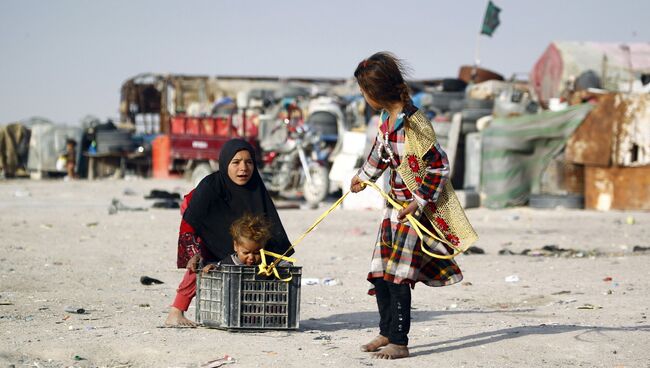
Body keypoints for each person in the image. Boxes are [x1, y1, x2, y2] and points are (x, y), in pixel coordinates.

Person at [350, 52, 476, 359]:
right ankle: (385, 331)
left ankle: (399, 341)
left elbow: (439, 167)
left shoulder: (416, 125)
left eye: (364, 92)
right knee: (380, 272)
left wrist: (418, 201)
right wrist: (362, 177)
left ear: (375, 93)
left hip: (413, 214)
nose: (364, 97)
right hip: (392, 211)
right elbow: (380, 155)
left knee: (399, 276)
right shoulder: (387, 120)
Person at [164, 139, 292, 327]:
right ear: (225, 163)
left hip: (242, 240)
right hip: (208, 233)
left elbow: (268, 225)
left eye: (249, 162)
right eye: (236, 162)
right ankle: (176, 313)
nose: (243, 168)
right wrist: (193, 253)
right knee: (201, 264)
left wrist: (276, 256)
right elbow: (190, 222)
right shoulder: (210, 186)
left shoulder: (256, 187)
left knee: (261, 262)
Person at [201, 213, 272, 271]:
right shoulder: (228, 264)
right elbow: (217, 267)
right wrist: (212, 267)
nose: (251, 257)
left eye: (257, 253)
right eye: (246, 253)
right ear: (235, 246)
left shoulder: (267, 263)